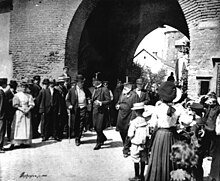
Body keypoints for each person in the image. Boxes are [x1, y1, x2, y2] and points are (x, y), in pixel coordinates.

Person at [145, 81, 193, 181]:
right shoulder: (179, 108)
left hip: (160, 136)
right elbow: (187, 121)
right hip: (172, 135)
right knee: (173, 158)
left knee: (159, 159)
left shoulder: (158, 107)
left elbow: (153, 124)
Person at [66, 74, 91, 146]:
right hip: (75, 109)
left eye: (83, 82)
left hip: (83, 108)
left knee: (81, 124)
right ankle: (76, 135)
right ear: (77, 83)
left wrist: (89, 100)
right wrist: (69, 105)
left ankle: (78, 138)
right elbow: (67, 100)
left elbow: (89, 97)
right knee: (75, 124)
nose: (82, 84)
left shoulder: (85, 89)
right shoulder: (72, 90)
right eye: (81, 82)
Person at [9, 80, 35, 149]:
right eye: (22, 87)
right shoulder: (17, 95)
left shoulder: (29, 95)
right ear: (20, 87)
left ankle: (24, 142)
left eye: (25, 87)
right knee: (18, 126)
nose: (23, 88)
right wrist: (22, 109)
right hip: (19, 112)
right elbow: (15, 105)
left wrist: (28, 109)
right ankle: (16, 141)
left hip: (27, 112)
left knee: (26, 127)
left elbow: (31, 104)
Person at [127, 102, 150, 181]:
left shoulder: (133, 122)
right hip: (144, 144)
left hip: (135, 144)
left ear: (135, 112)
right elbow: (148, 133)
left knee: (136, 159)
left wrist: (131, 139)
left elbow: (130, 134)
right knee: (143, 159)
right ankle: (142, 175)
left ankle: (137, 176)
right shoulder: (146, 121)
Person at [116, 82, 139, 156]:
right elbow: (119, 102)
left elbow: (135, 108)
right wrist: (117, 105)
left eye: (126, 87)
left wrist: (132, 118)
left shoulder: (134, 95)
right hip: (121, 115)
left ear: (130, 88)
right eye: (124, 87)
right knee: (122, 131)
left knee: (128, 132)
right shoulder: (122, 94)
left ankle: (125, 149)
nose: (124, 88)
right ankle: (125, 145)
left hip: (129, 115)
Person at [91, 74, 111, 150]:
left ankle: (98, 143)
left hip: (101, 111)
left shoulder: (104, 89)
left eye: (94, 81)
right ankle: (103, 138)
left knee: (99, 128)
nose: (93, 82)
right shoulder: (94, 89)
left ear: (98, 81)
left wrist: (101, 103)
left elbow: (109, 100)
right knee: (95, 127)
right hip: (95, 110)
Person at [0, 78, 8, 153]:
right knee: (1, 131)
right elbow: (1, 105)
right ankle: (0, 147)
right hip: (1, 116)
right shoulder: (1, 92)